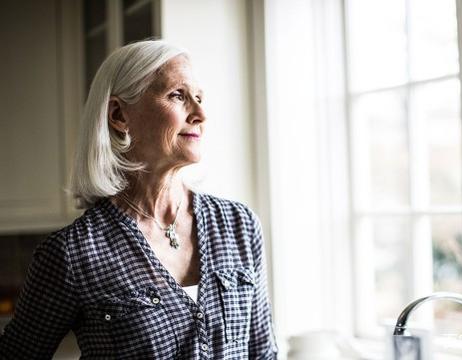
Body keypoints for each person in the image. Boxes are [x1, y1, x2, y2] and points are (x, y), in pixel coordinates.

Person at [0, 40, 278, 359]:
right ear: (119, 115)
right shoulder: (72, 254)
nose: (200, 113)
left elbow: (262, 353)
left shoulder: (239, 225)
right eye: (178, 95)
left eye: (199, 98)